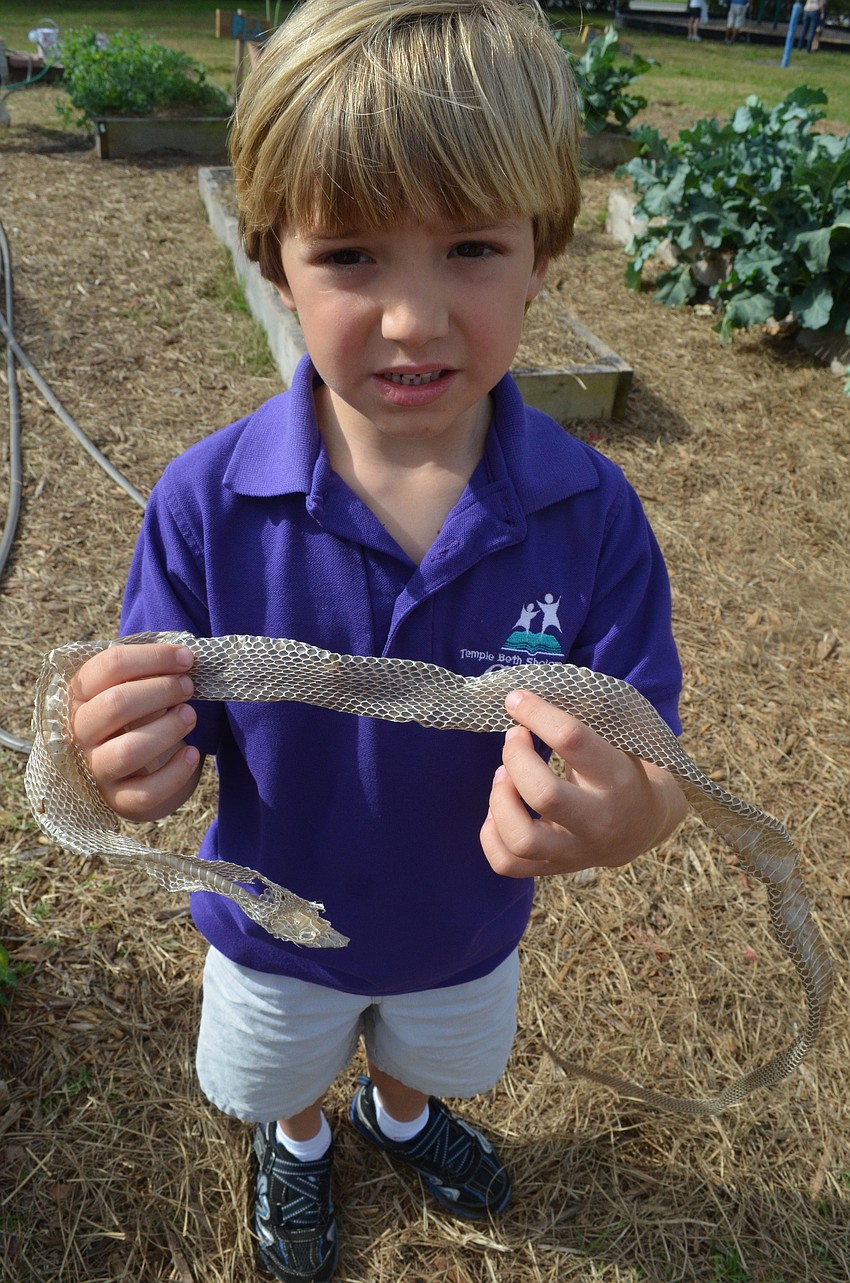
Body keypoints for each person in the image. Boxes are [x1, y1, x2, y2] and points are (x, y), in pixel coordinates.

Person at [68, 3, 687, 1280]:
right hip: (274, 935)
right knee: (279, 1076)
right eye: (350, 254)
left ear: (541, 253)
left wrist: (633, 815)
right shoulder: (205, 501)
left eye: (468, 245)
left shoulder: (590, 513)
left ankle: (397, 1112)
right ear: (274, 262)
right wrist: (120, 759)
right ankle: (298, 1144)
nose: (412, 319)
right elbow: (154, 728)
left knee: (433, 1053)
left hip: (465, 929)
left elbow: (649, 740)